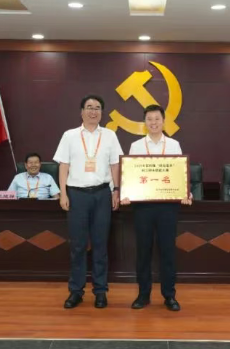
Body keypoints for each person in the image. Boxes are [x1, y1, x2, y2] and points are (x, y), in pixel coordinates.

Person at [53, 94, 123, 309]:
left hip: (102, 194)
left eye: (97, 108)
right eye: (89, 107)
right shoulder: (69, 135)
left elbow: (115, 165)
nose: (93, 111)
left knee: (101, 245)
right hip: (77, 195)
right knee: (78, 245)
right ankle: (76, 291)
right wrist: (63, 193)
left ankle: (100, 291)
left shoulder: (110, 135)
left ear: (102, 112)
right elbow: (63, 165)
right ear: (81, 111)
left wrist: (116, 190)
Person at [122, 104, 191, 312]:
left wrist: (185, 192)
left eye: (157, 119)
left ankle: (169, 295)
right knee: (143, 251)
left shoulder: (173, 145)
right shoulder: (136, 146)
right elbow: (130, 174)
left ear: (163, 121)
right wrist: (126, 192)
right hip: (142, 207)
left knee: (167, 251)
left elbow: (179, 173)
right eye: (149, 119)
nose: (153, 123)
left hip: (167, 206)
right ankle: (143, 295)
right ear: (145, 123)